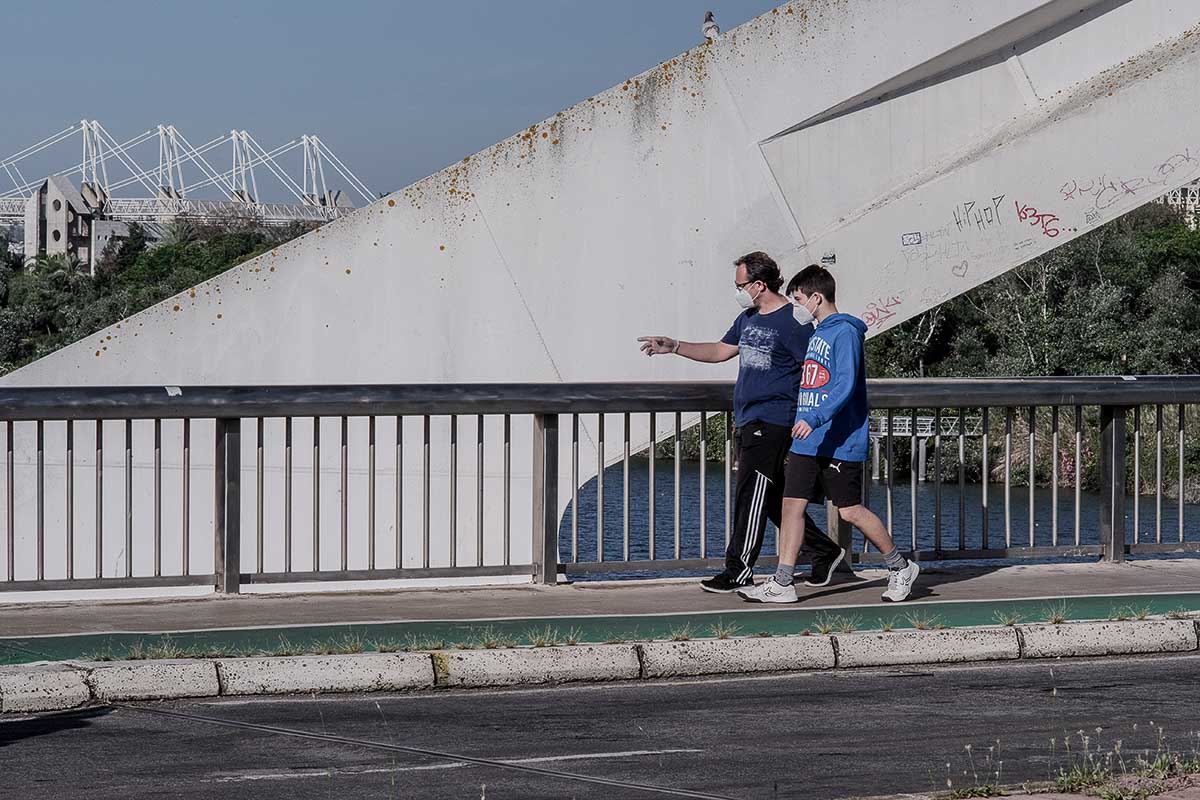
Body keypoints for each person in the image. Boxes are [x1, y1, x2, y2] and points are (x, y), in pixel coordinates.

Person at [638, 251, 847, 593]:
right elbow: (721, 351)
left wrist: (812, 415)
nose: (736, 290)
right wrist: (673, 346)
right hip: (749, 418)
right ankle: (824, 551)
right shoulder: (748, 318)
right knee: (774, 497)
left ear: (759, 284)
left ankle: (739, 569)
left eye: (740, 284)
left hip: (775, 419)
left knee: (750, 495)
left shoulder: (794, 322)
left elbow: (816, 370)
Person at [739, 264, 920, 604]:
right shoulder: (817, 333)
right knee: (790, 505)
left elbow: (846, 384)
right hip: (807, 440)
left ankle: (900, 566)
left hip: (839, 440)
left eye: (798, 299)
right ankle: (782, 582)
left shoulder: (845, 333)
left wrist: (817, 416)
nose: (795, 306)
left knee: (849, 510)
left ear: (816, 297)